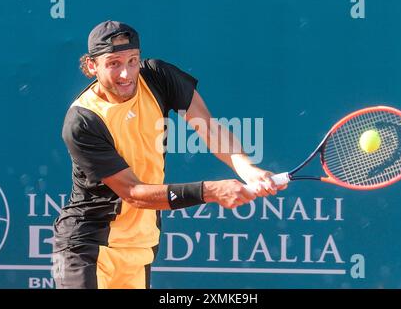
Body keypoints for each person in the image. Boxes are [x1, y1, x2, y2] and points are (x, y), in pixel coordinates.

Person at [52, 20, 286, 289]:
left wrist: (247, 168)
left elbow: (208, 127)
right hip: (88, 243)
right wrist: (210, 191)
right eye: (114, 63)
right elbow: (132, 192)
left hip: (140, 244)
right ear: (92, 66)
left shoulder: (157, 76)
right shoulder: (82, 121)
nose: (127, 74)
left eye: (132, 61)